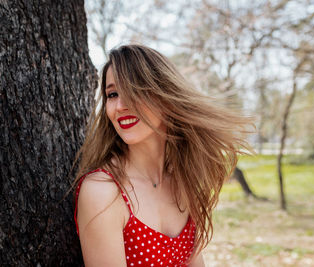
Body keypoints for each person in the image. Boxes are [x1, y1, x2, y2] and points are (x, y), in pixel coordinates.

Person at [73, 44, 252, 266]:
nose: (120, 105)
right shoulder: (103, 191)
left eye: (135, 91)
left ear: (166, 97)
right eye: (113, 94)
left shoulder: (182, 179)